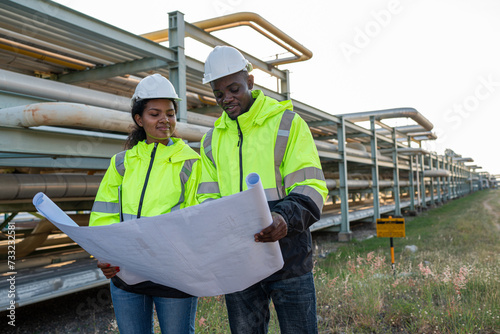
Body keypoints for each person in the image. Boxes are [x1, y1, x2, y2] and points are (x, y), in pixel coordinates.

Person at [197, 46, 328, 334]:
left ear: (251, 83)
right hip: (240, 264)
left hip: (290, 258)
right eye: (219, 94)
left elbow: (312, 186)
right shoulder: (210, 141)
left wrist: (283, 218)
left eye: (234, 89)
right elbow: (206, 197)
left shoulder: (287, 124)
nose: (227, 98)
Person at [89, 73, 200, 334]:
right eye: (155, 113)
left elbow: (199, 218)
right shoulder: (121, 163)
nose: (165, 120)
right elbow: (103, 216)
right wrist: (104, 256)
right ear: (139, 119)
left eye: (170, 113)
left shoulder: (190, 162)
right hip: (127, 276)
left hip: (174, 276)